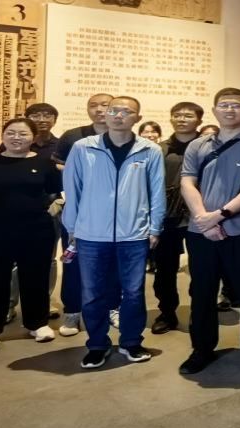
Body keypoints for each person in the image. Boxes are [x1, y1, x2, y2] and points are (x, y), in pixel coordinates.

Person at [62, 95, 165, 369]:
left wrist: (155, 227)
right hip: (91, 234)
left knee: (133, 292)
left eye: (126, 111)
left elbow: (157, 191)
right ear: (105, 115)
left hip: (134, 235)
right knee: (92, 293)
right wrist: (72, 228)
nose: (119, 116)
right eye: (113, 110)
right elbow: (73, 189)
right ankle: (97, 345)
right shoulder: (83, 148)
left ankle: (131, 342)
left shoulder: (150, 150)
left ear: (137, 118)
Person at [178, 87, 240, 376]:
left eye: (236, 105)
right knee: (202, 292)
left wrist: (219, 216)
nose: (229, 110)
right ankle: (202, 349)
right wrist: (203, 219)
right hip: (201, 231)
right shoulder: (198, 145)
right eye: (223, 105)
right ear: (214, 110)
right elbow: (187, 182)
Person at [0, 118, 62, 353]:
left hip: (37, 229)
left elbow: (54, 194)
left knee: (36, 277)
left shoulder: (44, 164)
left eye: (22, 133)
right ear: (3, 135)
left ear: (33, 137)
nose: (16, 137)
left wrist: (43, 209)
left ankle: (37, 323)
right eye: (11, 133)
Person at [52, 92, 113, 336]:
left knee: (112, 264)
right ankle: (72, 311)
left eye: (105, 105)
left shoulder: (123, 135)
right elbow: (57, 164)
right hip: (78, 210)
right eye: (93, 105)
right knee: (73, 261)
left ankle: (111, 307)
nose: (99, 109)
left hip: (114, 213)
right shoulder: (73, 136)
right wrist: (82, 170)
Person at [151, 101, 204, 334]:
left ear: (199, 120)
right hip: (168, 217)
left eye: (188, 115)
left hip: (199, 216)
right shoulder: (159, 149)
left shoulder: (208, 148)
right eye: (177, 115)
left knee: (201, 267)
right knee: (164, 269)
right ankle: (166, 313)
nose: (182, 119)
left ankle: (199, 312)